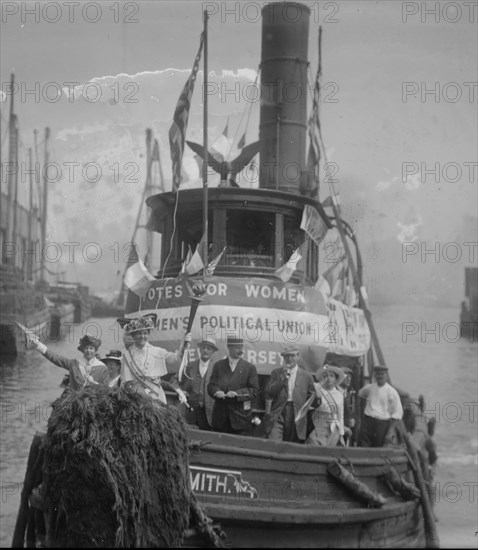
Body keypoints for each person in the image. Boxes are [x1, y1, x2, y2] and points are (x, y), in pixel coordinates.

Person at [119, 314, 190, 406]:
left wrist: (183, 345)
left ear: (148, 334)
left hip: (155, 397)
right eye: (138, 333)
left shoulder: (157, 351)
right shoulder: (127, 355)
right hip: (134, 398)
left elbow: (175, 359)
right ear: (133, 335)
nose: (142, 336)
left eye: (145, 333)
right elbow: (124, 381)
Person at [207, 335, 259, 435]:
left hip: (241, 420)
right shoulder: (218, 366)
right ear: (229, 347)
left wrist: (237, 393)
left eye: (242, 347)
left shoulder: (250, 368)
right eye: (237, 348)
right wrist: (216, 391)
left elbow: (254, 390)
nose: (241, 351)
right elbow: (211, 386)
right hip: (220, 420)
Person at [264, 346, 315, 443]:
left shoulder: (307, 376)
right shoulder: (276, 373)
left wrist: (305, 408)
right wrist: (281, 380)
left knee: (292, 444)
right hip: (279, 411)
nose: (289, 359)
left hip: (297, 413)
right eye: (286, 356)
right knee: (273, 442)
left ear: (298, 356)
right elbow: (270, 392)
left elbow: (312, 395)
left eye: (292, 356)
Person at [27, 333, 109, 390]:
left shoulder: (103, 368)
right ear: (83, 350)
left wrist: (94, 383)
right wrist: (38, 345)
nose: (88, 351)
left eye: (91, 348)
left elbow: (105, 389)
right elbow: (56, 359)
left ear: (95, 350)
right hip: (74, 405)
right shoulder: (74, 364)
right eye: (86, 348)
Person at [358, 365, 403, 447]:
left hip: (382, 424)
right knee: (362, 444)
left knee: (378, 447)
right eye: (378, 374)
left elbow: (397, 414)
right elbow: (361, 394)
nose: (380, 376)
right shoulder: (369, 388)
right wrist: (362, 412)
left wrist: (390, 431)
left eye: (382, 374)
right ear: (375, 376)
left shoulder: (392, 392)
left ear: (386, 376)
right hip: (368, 422)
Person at [180, 337, 218, 430]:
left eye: (209, 348)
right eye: (203, 348)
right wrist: (181, 391)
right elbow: (176, 380)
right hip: (191, 411)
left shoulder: (218, 368)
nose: (205, 350)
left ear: (213, 351)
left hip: (209, 413)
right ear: (199, 349)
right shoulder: (189, 366)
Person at [307, 364, 349, 446]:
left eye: (331, 376)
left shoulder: (339, 395)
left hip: (333, 430)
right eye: (325, 376)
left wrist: (341, 435)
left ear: (336, 379)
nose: (328, 378)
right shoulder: (317, 389)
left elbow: (340, 416)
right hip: (318, 427)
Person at [340, 366, 357, 446]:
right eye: (346, 377)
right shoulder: (333, 393)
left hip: (347, 433)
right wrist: (342, 427)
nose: (348, 379)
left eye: (350, 377)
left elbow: (352, 413)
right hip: (335, 432)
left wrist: (352, 420)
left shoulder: (350, 395)